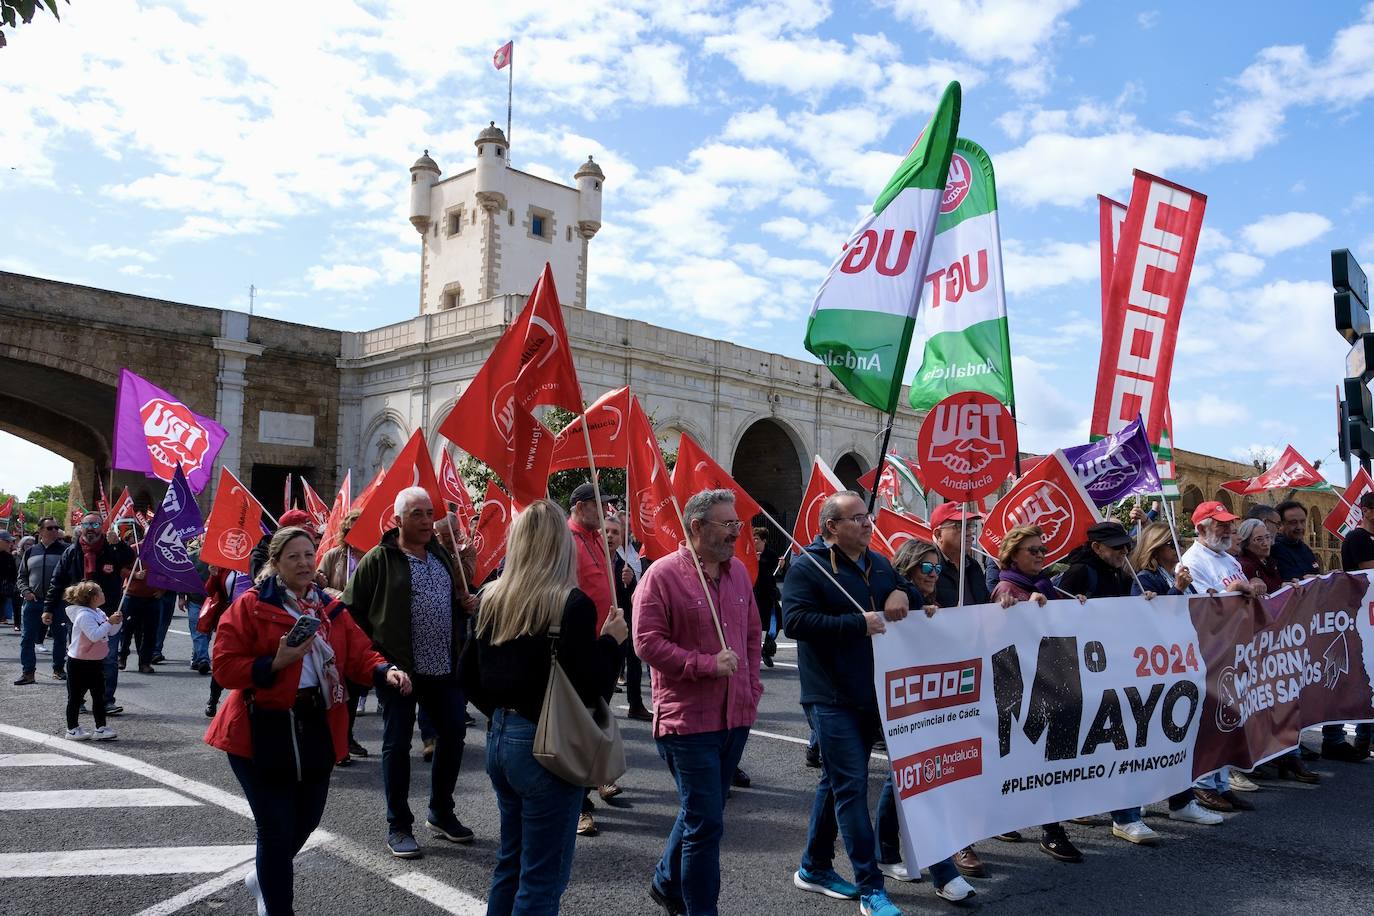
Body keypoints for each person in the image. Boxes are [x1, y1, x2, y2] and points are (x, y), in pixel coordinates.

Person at [206, 526, 411, 916]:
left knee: (308, 820)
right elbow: (224, 668)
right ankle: (278, 905)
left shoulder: (329, 608)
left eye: (309, 555)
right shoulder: (250, 605)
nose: (303, 563)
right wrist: (274, 663)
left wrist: (386, 670)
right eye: (293, 557)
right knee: (275, 828)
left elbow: (359, 653)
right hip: (260, 728)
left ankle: (264, 875)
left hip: (315, 722)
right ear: (277, 563)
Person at [460, 499, 625, 915]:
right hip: (544, 745)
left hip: (500, 737)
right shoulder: (570, 603)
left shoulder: (492, 595)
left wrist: (501, 711)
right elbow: (593, 687)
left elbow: (467, 673)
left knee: (511, 862)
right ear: (560, 546)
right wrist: (612, 643)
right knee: (542, 878)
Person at [784, 491, 936, 916]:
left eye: (867, 517)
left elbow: (906, 589)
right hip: (830, 695)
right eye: (858, 518)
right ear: (832, 526)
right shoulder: (808, 567)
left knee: (836, 782)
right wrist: (856, 623)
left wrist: (903, 594)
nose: (868, 524)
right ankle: (870, 887)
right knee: (851, 787)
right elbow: (794, 621)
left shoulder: (877, 561)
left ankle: (813, 866)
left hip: (872, 692)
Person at [634, 489, 765, 916]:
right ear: (696, 527)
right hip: (688, 722)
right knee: (707, 823)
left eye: (737, 524)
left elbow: (751, 635)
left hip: (735, 716)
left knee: (701, 812)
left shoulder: (740, 573)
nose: (735, 532)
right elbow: (647, 643)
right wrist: (705, 664)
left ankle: (664, 881)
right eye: (727, 524)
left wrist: (751, 687)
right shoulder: (662, 575)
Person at [343, 486, 476, 858]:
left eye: (429, 514)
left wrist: (464, 605)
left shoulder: (440, 554)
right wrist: (376, 659)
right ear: (397, 520)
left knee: (453, 734)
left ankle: (441, 811)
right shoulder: (379, 559)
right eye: (417, 514)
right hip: (399, 671)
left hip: (443, 667)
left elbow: (452, 604)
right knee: (397, 745)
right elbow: (350, 613)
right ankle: (398, 824)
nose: (426, 521)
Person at [1129, 526, 1249, 812]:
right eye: (1170, 543)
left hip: (1190, 658)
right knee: (1161, 734)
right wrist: (1179, 590)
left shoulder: (1177, 574)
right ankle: (1151, 796)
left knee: (1194, 728)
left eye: (1177, 542)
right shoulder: (1144, 579)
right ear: (1155, 549)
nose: (1177, 547)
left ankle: (1196, 792)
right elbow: (1153, 619)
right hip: (1163, 666)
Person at [990, 525, 1090, 860]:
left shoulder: (1046, 586)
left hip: (1051, 685)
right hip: (1021, 691)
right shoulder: (1006, 588)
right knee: (1029, 761)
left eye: (1043, 550)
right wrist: (1020, 609)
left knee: (1046, 760)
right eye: (1033, 550)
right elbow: (998, 639)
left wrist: (1075, 605)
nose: (1040, 556)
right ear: (1012, 554)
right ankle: (1048, 829)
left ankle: (1043, 826)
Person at [886, 539, 976, 900]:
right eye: (926, 568)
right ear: (908, 568)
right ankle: (944, 872)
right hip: (901, 702)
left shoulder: (930, 604)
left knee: (907, 774)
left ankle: (884, 851)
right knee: (926, 775)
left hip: (933, 701)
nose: (934, 574)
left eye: (938, 568)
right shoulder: (897, 599)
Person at [1178, 501, 1262, 812]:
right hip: (1209, 650)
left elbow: (1241, 588)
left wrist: (1253, 585)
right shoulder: (1192, 561)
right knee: (1211, 718)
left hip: (1234, 648)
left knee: (1229, 717)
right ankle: (1203, 783)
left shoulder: (1228, 558)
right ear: (1201, 528)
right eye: (1220, 524)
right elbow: (1200, 605)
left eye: (1228, 523)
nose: (1227, 529)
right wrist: (1236, 592)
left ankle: (1221, 783)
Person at [566, 482, 622, 834]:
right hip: (582, 644)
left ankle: (596, 776)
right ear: (583, 506)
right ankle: (578, 804)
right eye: (602, 506)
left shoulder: (598, 539)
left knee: (599, 714)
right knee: (579, 724)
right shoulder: (567, 541)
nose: (608, 513)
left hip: (607, 641)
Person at [43, 514, 135, 717]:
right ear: (81, 527)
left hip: (108, 613)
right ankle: (77, 699)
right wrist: (48, 608)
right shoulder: (71, 552)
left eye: (95, 524)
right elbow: (57, 581)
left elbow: (131, 560)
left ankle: (106, 701)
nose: (91, 528)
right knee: (78, 658)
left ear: (101, 527)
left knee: (109, 658)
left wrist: (119, 544)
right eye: (87, 524)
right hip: (78, 616)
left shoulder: (111, 550)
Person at [319, 508, 372, 761]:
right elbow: (319, 586)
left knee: (355, 685)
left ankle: (346, 737)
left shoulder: (375, 556)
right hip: (337, 626)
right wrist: (342, 597)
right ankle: (335, 741)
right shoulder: (333, 556)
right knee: (336, 684)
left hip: (365, 629)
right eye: (353, 530)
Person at [1327, 489, 1374, 761]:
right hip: (1361, 616)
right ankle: (1363, 737)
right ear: (1366, 510)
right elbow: (1368, 569)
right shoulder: (1357, 538)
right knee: (1365, 676)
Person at [61, 580, 123, 741]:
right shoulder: (83, 615)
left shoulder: (98, 612)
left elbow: (110, 632)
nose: (103, 594)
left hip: (95, 661)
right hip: (79, 662)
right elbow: (94, 635)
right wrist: (109, 622)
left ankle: (101, 727)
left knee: (99, 696)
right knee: (75, 697)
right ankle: (72, 728)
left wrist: (117, 622)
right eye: (100, 592)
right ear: (93, 597)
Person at [605, 515, 651, 722]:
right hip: (602, 622)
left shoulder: (624, 565)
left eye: (615, 532)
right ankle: (601, 706)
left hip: (624, 619)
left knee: (634, 659)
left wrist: (630, 582)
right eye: (606, 531)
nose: (610, 536)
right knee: (606, 664)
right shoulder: (594, 558)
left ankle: (636, 703)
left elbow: (633, 595)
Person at [14, 517, 69, 685]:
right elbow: (21, 576)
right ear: (40, 531)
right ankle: (28, 672)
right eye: (50, 528)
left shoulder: (66, 550)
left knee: (60, 637)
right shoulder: (31, 552)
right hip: (33, 601)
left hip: (58, 603)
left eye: (56, 527)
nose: (55, 531)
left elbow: (71, 575)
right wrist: (26, 592)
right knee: (27, 638)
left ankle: (58, 669)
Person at [930, 503, 989, 607]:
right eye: (959, 526)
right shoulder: (927, 568)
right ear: (939, 534)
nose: (968, 533)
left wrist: (999, 600)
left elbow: (985, 603)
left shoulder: (973, 566)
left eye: (970, 526)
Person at [1270, 500, 1321, 582]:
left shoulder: (1304, 548)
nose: (1299, 527)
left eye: (1302, 521)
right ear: (1280, 525)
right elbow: (1289, 580)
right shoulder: (1275, 549)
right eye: (1293, 522)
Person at [752, 527, 781, 668]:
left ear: (764, 540)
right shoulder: (749, 554)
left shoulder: (771, 555)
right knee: (754, 625)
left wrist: (781, 566)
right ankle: (754, 653)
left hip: (769, 594)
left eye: (756, 539)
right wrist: (754, 561)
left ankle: (767, 650)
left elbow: (773, 573)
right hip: (754, 594)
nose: (754, 541)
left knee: (774, 625)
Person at [1237, 519, 1282, 594]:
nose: (1265, 543)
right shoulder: (1245, 566)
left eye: (1267, 537)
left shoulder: (1270, 562)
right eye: (1259, 539)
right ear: (1246, 543)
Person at [0, 531, 16, 626]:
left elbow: (13, 575)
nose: (10, 544)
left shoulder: (9, 557)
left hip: (4, 593)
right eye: (7, 542)